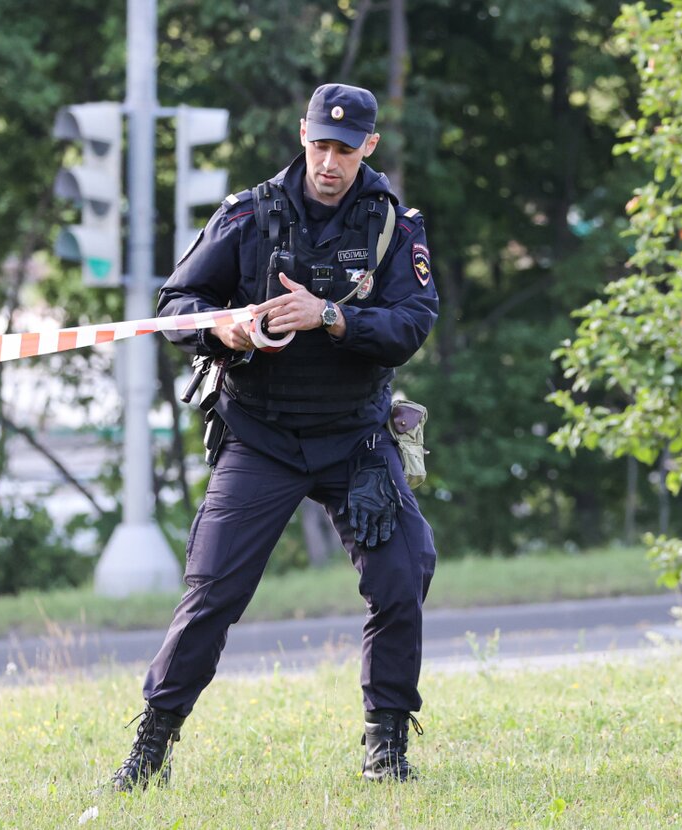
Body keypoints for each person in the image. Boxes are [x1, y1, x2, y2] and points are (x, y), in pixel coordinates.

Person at [110, 83, 438, 790]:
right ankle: (150, 748)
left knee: (404, 573)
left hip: (353, 438)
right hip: (260, 434)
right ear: (302, 134)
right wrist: (221, 325)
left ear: (368, 148)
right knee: (212, 593)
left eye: (344, 150)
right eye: (319, 144)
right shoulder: (249, 214)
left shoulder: (391, 226)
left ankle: (385, 744)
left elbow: (410, 327)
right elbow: (174, 306)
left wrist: (331, 317)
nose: (328, 161)